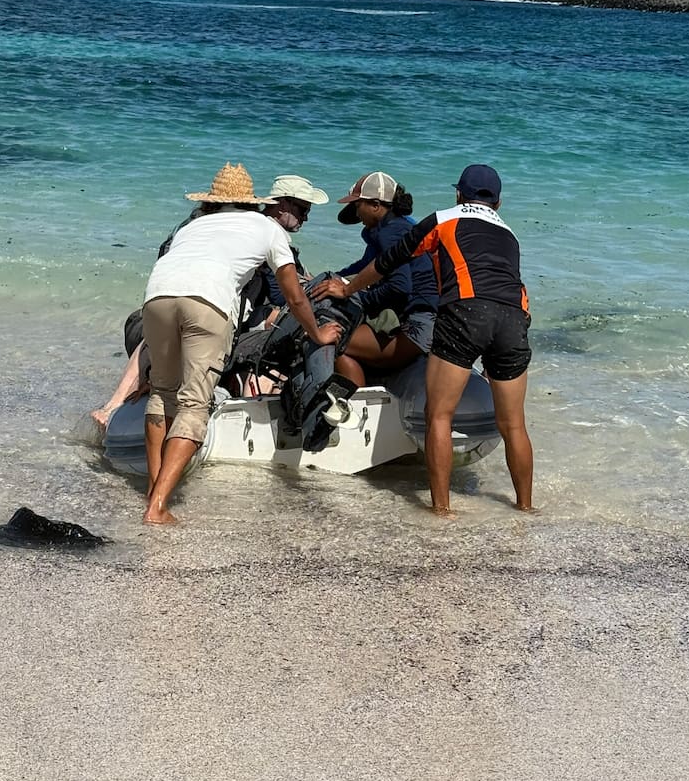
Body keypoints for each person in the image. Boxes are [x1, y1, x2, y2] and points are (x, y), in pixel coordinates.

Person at [315, 164, 533, 516]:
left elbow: (389, 262)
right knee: (514, 424)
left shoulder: (443, 218)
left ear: (459, 194)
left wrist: (348, 287)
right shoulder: (509, 234)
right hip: (512, 318)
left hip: (465, 311)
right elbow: (514, 288)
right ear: (499, 203)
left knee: (439, 415)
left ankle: (441, 509)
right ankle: (525, 507)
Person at [141, 162, 340, 525]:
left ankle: (155, 491)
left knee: (161, 392)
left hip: (156, 297)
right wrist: (318, 333)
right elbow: (295, 297)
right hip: (208, 304)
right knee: (194, 405)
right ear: (254, 202)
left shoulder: (194, 225)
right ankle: (156, 508)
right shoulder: (267, 228)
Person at [90, 173, 328, 427]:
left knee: (163, 368)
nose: (306, 217)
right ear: (283, 204)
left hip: (160, 304)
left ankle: (113, 407)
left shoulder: (197, 226)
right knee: (274, 333)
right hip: (217, 314)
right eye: (302, 210)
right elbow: (283, 294)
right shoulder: (264, 230)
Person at [313, 172, 438, 387]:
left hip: (417, 327)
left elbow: (399, 287)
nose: (355, 212)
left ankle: (353, 407)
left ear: (376, 205)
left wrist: (359, 296)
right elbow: (363, 268)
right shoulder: (396, 227)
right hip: (427, 321)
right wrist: (333, 278)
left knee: (325, 337)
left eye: (357, 205)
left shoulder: (391, 232)